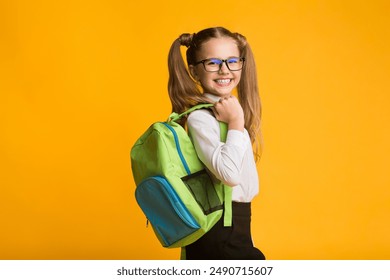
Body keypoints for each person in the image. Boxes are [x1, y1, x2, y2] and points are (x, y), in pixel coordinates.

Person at [167, 27, 265, 260]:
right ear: (194, 71)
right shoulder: (202, 117)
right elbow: (230, 176)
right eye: (212, 62)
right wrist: (236, 122)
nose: (225, 70)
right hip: (218, 230)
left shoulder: (227, 112)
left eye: (232, 61)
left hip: (236, 224)